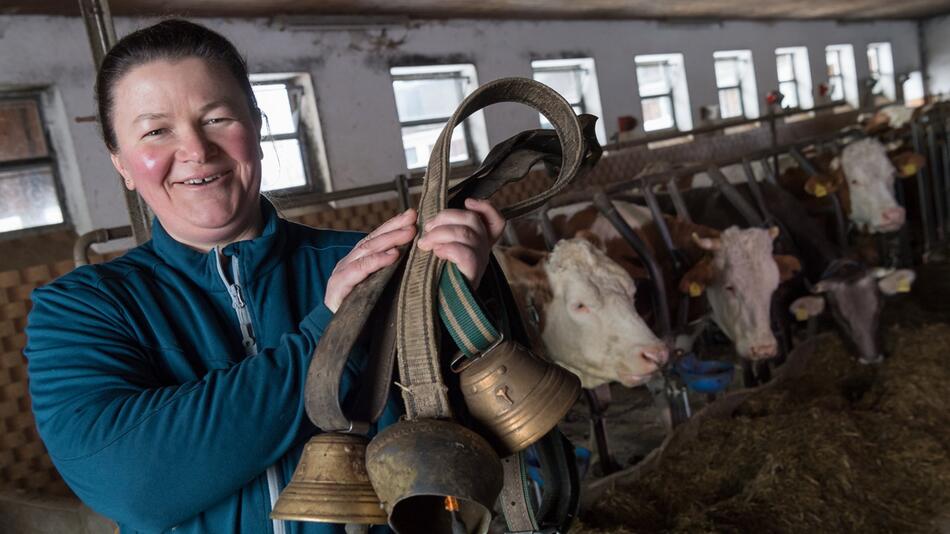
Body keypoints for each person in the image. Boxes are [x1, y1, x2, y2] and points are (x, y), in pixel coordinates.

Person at [24, 19, 505, 534]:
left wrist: (467, 310)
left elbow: (493, 444)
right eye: (156, 130)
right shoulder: (79, 309)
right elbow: (134, 483)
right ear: (120, 161)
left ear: (256, 125)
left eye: (216, 118)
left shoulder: (381, 264)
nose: (195, 150)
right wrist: (334, 330)